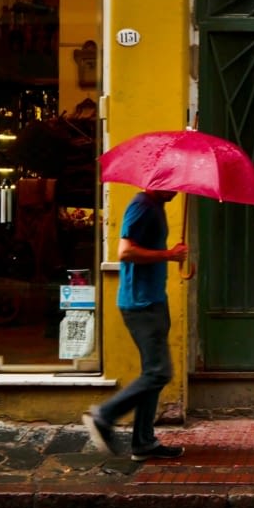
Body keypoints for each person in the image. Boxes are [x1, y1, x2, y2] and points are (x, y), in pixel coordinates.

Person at [83, 189, 190, 461]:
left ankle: (143, 442)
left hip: (153, 300)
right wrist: (168, 255)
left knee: (152, 375)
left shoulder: (155, 204)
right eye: (172, 185)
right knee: (158, 373)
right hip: (141, 305)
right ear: (156, 182)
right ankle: (104, 415)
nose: (177, 191)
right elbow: (125, 251)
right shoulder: (141, 205)